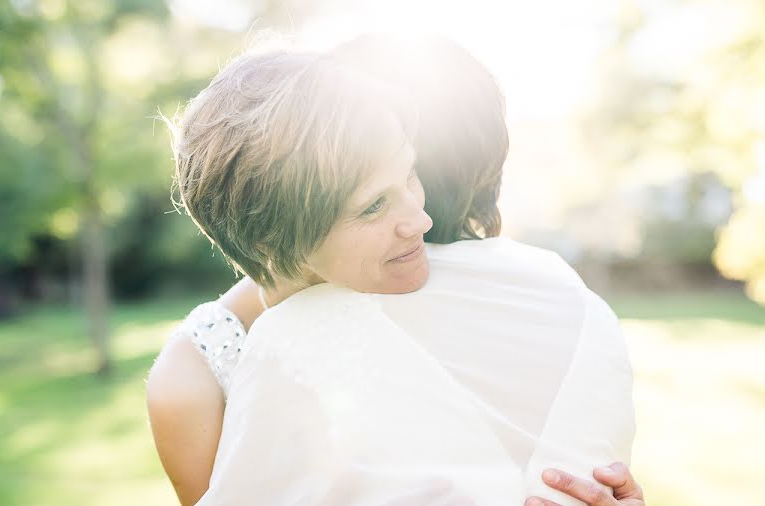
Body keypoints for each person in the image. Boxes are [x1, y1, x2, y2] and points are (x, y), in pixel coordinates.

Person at [148, 36, 641, 506]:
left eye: (410, 175)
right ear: (270, 240)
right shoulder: (195, 381)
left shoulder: (462, 287)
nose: (421, 222)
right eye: (372, 206)